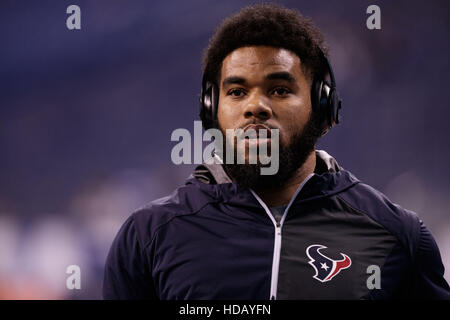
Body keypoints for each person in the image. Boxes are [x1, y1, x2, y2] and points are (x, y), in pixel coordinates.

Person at [102, 4, 450, 300]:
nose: (255, 106)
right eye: (236, 92)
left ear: (323, 108)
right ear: (211, 112)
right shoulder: (148, 238)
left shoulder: (396, 235)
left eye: (280, 90)